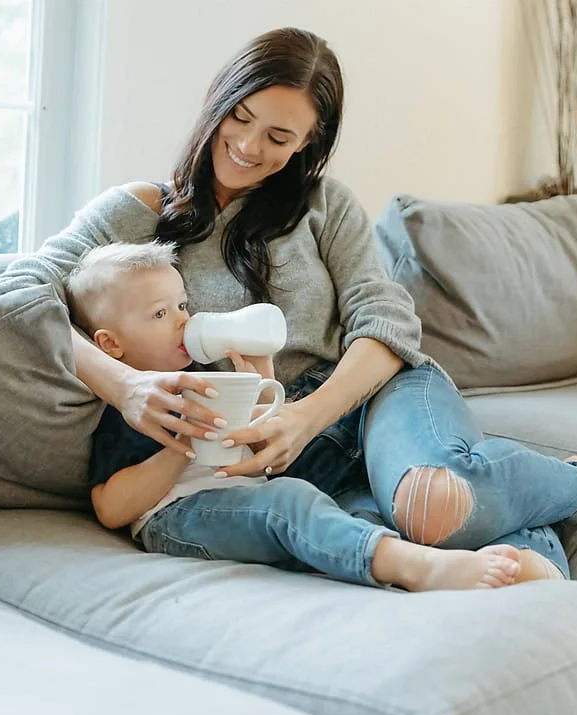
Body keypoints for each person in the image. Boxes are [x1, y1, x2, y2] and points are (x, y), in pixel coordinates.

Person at [20, 27, 577, 584]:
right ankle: (535, 554)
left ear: (309, 142)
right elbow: (22, 296)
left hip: (370, 397)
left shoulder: (323, 206)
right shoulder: (139, 217)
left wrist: (306, 415)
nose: (250, 147)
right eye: (240, 117)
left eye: (280, 137)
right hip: (290, 458)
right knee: (422, 520)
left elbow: (385, 321)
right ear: (217, 102)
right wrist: (127, 385)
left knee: (431, 493)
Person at [65, 240, 523, 591]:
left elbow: (256, 442)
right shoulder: (126, 405)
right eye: (160, 313)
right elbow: (110, 508)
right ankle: (416, 568)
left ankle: (441, 554)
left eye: (183, 305)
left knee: (348, 506)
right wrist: (180, 448)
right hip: (178, 518)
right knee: (288, 503)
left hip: (244, 497)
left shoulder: (204, 374)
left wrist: (261, 388)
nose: (183, 321)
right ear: (111, 345)